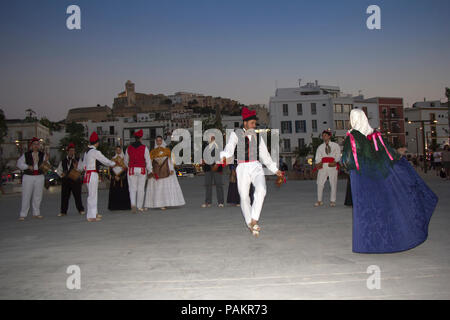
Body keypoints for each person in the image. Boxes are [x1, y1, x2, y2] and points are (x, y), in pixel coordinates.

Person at [342, 109, 437, 253]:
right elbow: (390, 154)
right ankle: (393, 238)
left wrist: (345, 164)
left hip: (362, 180)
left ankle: (369, 243)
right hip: (380, 177)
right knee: (383, 208)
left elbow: (348, 160)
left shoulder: (353, 136)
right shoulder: (375, 136)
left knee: (366, 211)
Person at [220, 107, 283, 237]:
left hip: (256, 166)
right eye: (252, 123)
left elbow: (265, 156)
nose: (254, 126)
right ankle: (250, 223)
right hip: (242, 167)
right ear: (245, 123)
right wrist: (225, 156)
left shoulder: (258, 137)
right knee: (244, 197)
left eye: (255, 123)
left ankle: (254, 219)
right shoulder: (236, 134)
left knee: (262, 190)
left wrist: (275, 170)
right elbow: (230, 147)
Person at [78, 132, 116, 222]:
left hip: (88, 174)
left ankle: (94, 213)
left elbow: (83, 166)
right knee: (92, 195)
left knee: (93, 195)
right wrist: (113, 163)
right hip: (92, 175)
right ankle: (91, 216)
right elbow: (104, 160)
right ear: (97, 142)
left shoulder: (86, 152)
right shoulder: (94, 152)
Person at [144, 136, 185, 210]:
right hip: (156, 171)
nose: (158, 142)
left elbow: (170, 160)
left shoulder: (167, 150)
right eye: (157, 140)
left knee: (166, 187)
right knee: (158, 188)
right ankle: (159, 203)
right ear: (156, 142)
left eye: (160, 140)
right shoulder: (152, 152)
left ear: (162, 141)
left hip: (166, 170)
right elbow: (149, 162)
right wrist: (150, 170)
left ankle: (166, 202)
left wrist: (172, 169)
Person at [16, 137, 49, 221]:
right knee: (26, 195)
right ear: (31, 145)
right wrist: (27, 166)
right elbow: (19, 163)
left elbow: (47, 166)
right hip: (28, 176)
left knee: (38, 195)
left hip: (39, 176)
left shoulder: (42, 154)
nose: (36, 146)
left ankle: (36, 213)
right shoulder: (26, 154)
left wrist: (45, 162)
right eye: (34, 144)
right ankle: (23, 214)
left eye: (37, 144)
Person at [124, 130, 151, 213]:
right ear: (141, 138)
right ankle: (139, 206)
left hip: (131, 169)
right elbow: (148, 160)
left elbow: (125, 160)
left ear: (134, 138)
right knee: (141, 188)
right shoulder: (144, 148)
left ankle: (133, 204)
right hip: (141, 169)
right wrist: (150, 170)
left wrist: (128, 166)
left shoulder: (129, 148)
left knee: (132, 188)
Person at [56, 142, 85, 216]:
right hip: (66, 180)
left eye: (73, 150)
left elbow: (82, 168)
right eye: (70, 150)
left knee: (77, 195)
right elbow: (59, 170)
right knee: (64, 196)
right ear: (67, 151)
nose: (72, 152)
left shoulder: (78, 160)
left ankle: (81, 209)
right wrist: (61, 174)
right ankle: (63, 211)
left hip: (75, 180)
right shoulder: (63, 161)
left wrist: (76, 168)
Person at [314, 130, 341, 207]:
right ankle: (319, 200)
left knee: (333, 183)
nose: (324, 137)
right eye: (323, 135)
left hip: (332, 165)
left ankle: (332, 201)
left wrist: (335, 161)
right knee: (320, 183)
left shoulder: (335, 145)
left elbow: (338, 155)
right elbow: (318, 157)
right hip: (323, 165)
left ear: (329, 136)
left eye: (325, 135)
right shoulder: (320, 147)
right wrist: (318, 163)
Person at [201, 136, 224, 208]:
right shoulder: (205, 145)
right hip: (207, 167)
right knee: (208, 185)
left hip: (216, 167)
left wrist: (217, 164)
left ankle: (221, 202)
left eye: (212, 137)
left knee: (218, 184)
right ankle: (208, 202)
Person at [108, 146, 131, 211]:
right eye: (117, 150)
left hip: (123, 178)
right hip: (114, 178)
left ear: (121, 150)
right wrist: (114, 176)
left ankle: (124, 206)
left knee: (123, 192)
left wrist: (120, 176)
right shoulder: (112, 159)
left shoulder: (125, 159)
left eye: (119, 150)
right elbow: (110, 169)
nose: (118, 151)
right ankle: (114, 206)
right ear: (115, 150)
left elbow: (126, 169)